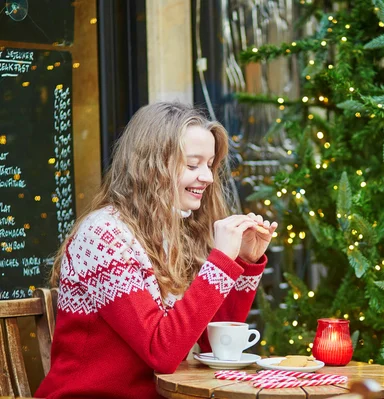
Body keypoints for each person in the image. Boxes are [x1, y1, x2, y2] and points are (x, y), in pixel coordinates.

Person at [35, 102, 278, 399]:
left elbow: (215, 343)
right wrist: (220, 263)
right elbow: (160, 351)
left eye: (209, 164)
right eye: (192, 165)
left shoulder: (174, 233)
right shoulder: (104, 236)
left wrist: (244, 260)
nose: (208, 177)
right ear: (152, 166)